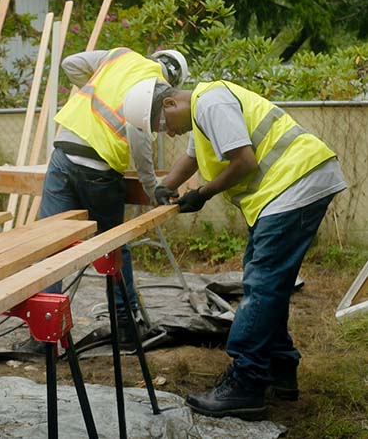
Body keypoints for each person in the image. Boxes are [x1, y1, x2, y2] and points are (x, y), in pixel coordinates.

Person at [129, 79, 346, 420]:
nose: (166, 133)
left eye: (162, 126)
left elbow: (244, 162)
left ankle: (246, 384)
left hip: (296, 182)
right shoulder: (202, 110)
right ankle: (279, 366)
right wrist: (165, 186)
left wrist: (203, 193)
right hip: (287, 187)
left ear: (170, 104)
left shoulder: (212, 104)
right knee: (263, 281)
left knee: (262, 285)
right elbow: (192, 157)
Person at [14, 47, 188, 352]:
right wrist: (151, 186)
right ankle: (125, 325)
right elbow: (138, 136)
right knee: (112, 246)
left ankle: (43, 337)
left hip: (63, 151)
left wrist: (93, 97)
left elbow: (69, 62)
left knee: (50, 246)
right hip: (98, 166)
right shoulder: (151, 82)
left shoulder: (119, 56)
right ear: (172, 79)